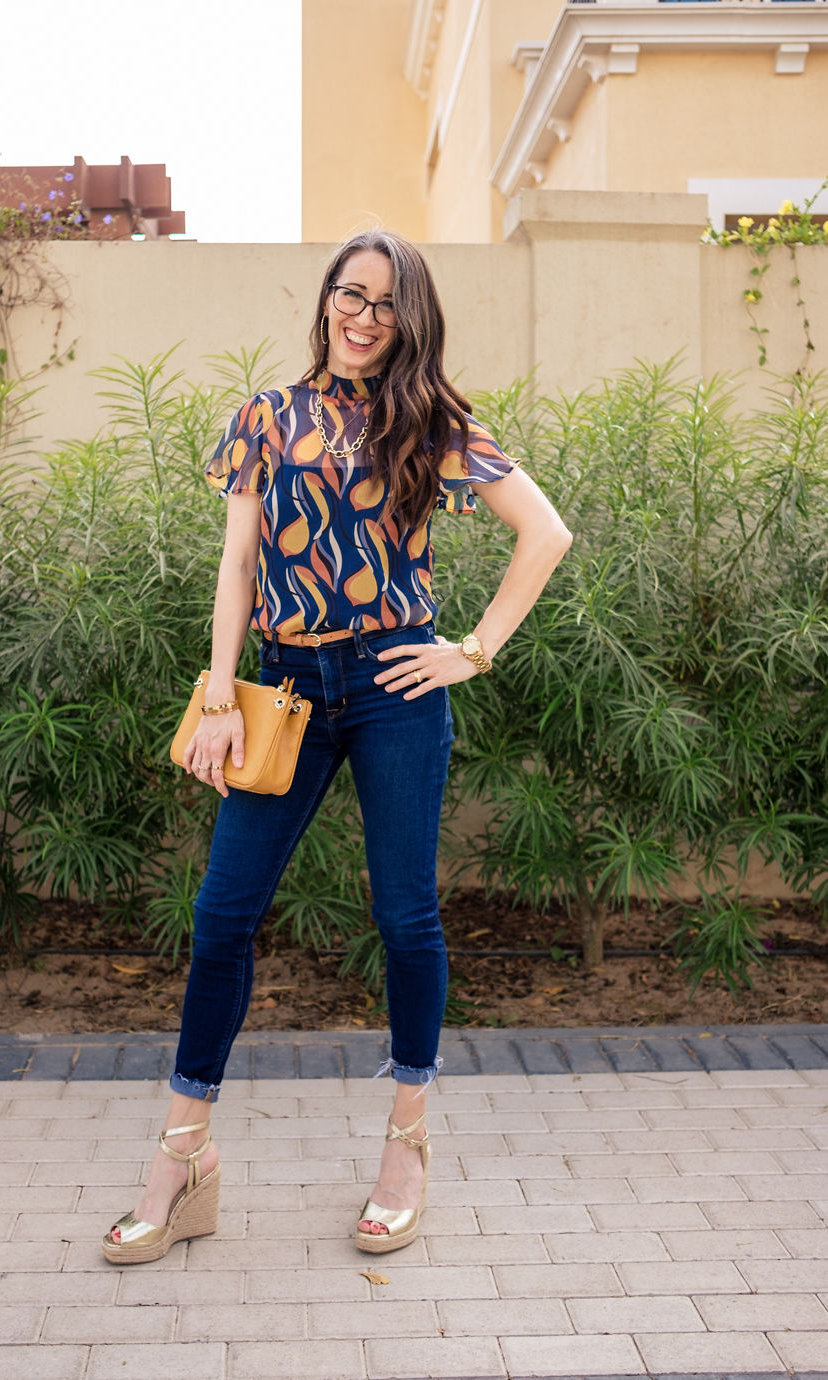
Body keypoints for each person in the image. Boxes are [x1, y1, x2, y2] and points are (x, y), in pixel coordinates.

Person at [103, 230, 572, 1265]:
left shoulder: (431, 419)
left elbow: (545, 532)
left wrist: (475, 649)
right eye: (350, 295)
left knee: (405, 914)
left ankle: (406, 1139)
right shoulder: (266, 418)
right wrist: (220, 690)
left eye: (387, 304)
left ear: (411, 320)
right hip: (285, 685)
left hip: (398, 680)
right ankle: (184, 1156)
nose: (364, 316)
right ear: (324, 300)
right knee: (223, 912)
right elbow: (237, 564)